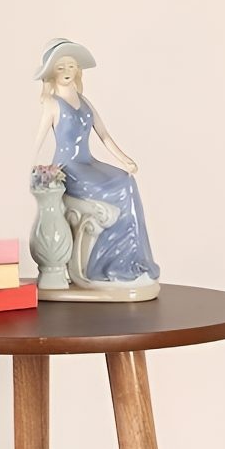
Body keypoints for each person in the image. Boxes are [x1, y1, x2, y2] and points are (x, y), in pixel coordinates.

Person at [31, 39, 159, 285]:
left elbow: (105, 135)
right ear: (51, 73)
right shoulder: (51, 104)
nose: (67, 71)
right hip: (69, 166)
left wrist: (125, 159)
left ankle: (129, 258)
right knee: (113, 189)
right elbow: (36, 141)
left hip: (89, 161)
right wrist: (32, 168)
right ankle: (103, 264)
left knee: (126, 181)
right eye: (61, 67)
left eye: (71, 66)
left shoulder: (86, 102)